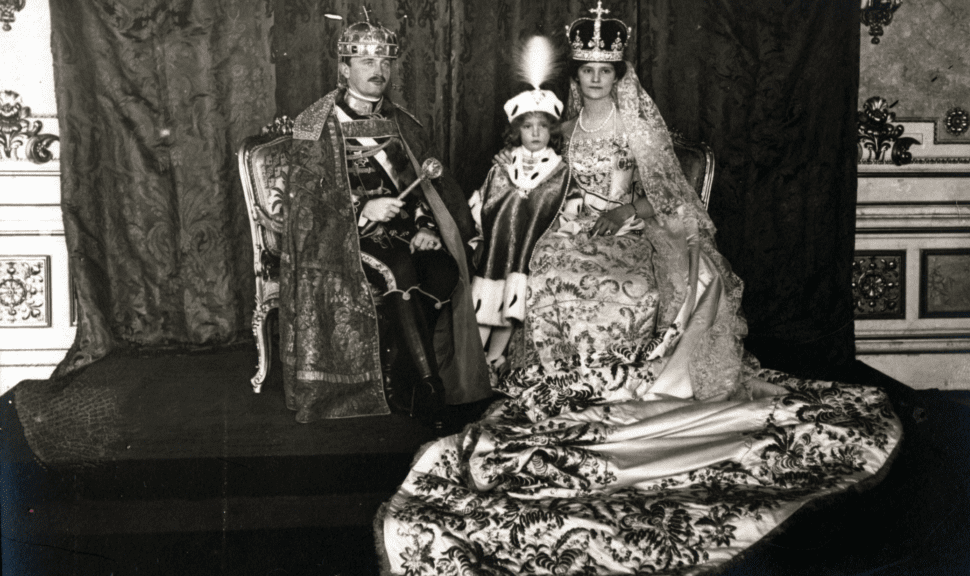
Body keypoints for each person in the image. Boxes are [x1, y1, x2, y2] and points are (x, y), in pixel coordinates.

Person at [376, 3, 901, 573]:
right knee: (547, 273)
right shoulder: (562, 128)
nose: (595, 78)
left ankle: (621, 385)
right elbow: (540, 186)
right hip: (570, 227)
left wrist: (626, 208)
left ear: (619, 74)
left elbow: (668, 194)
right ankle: (564, 385)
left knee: (618, 284)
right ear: (575, 76)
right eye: (586, 71)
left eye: (605, 70)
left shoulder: (637, 128)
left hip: (628, 227)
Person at [279, 11, 489, 426]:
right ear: (344, 68)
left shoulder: (402, 122)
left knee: (443, 270)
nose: (379, 72)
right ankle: (428, 388)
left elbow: (426, 187)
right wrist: (360, 210)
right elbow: (303, 202)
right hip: (342, 236)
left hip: (404, 232)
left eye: (385, 62)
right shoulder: (315, 125)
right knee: (400, 271)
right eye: (366, 62)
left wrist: (427, 227)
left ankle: (404, 375)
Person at [468, 36, 571, 376]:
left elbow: (559, 204)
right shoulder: (504, 164)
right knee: (485, 306)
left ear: (552, 129)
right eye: (528, 126)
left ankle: (494, 358)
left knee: (512, 309)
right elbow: (488, 198)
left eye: (543, 126)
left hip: (526, 255)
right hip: (497, 253)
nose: (536, 133)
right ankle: (472, 361)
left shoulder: (558, 168)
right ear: (518, 130)